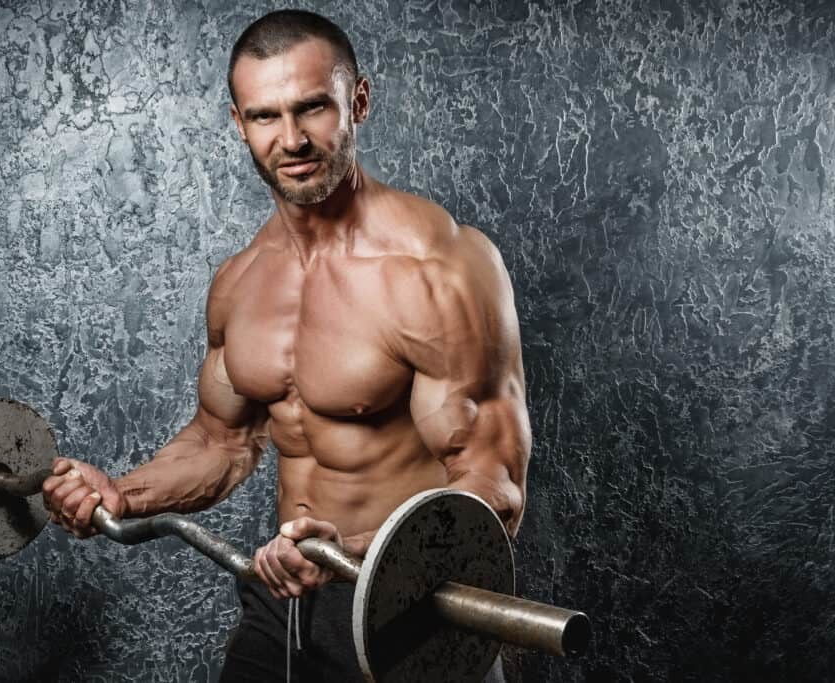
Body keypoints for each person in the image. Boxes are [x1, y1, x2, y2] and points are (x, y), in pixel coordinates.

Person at [42, 9, 531, 682]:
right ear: (238, 124)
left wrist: (352, 551)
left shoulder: (437, 268)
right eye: (265, 116)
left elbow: (492, 487)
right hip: (283, 605)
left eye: (312, 109)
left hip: (412, 610)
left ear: (357, 100)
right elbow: (222, 444)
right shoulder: (241, 282)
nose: (292, 138)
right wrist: (124, 493)